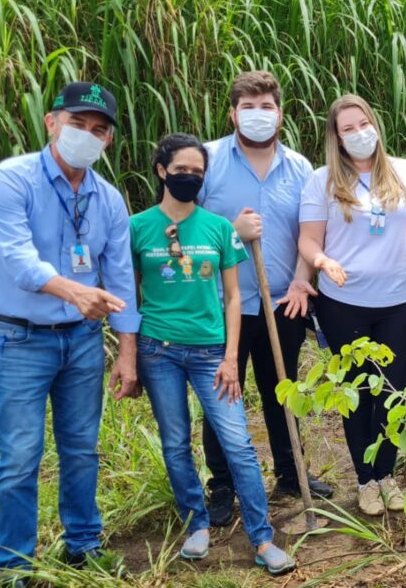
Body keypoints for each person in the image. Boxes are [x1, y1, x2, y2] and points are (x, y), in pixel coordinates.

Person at [0, 82, 137, 583]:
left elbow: (119, 278)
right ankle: (12, 565)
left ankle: (83, 544)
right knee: (21, 454)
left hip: (84, 342)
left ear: (108, 141)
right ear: (51, 122)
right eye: (77, 124)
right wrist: (74, 293)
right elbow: (19, 260)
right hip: (19, 339)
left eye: (99, 130)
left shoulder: (108, 199)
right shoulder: (12, 180)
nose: (86, 136)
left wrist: (126, 350)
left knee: (81, 447)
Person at [128, 133, 295, 574]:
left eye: (197, 173)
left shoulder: (219, 228)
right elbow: (130, 293)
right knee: (175, 442)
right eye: (181, 170)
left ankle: (262, 538)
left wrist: (230, 356)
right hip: (157, 350)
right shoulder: (137, 227)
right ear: (162, 171)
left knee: (238, 443)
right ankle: (196, 524)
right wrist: (126, 355)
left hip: (210, 353)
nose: (189, 178)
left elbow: (235, 298)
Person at [298, 94, 406, 516]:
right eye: (348, 128)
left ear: (375, 125)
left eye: (363, 123)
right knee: (358, 393)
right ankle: (365, 480)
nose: (359, 133)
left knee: (393, 393)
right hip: (343, 304)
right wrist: (322, 260)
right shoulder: (322, 180)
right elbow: (309, 240)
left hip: (399, 303)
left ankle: (388, 474)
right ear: (336, 138)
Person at [197, 71, 333, 525]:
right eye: (248, 107)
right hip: (224, 301)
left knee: (283, 388)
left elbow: (310, 234)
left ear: (280, 114)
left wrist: (300, 281)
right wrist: (229, 235)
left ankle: (292, 473)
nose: (258, 115)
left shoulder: (299, 168)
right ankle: (222, 486)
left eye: (267, 107)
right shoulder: (207, 162)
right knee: (224, 391)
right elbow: (185, 228)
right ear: (233, 113)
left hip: (284, 301)